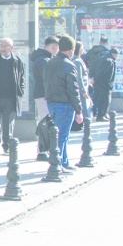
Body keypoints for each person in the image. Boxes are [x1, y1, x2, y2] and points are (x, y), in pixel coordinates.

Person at [42, 35, 83, 170]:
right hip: (65, 104)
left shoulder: (50, 62)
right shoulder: (69, 65)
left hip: (51, 102)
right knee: (62, 136)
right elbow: (73, 90)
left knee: (56, 134)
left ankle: (63, 162)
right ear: (71, 50)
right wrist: (78, 110)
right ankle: (57, 163)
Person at [31, 36, 59, 120]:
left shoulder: (43, 58)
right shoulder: (43, 60)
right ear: (53, 47)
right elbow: (48, 77)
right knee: (45, 120)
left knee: (46, 119)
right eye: (58, 48)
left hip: (44, 93)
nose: (58, 51)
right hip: (43, 93)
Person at [84, 36, 110, 116]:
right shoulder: (106, 52)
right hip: (101, 75)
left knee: (92, 92)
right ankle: (100, 112)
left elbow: (84, 59)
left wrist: (89, 67)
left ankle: (93, 110)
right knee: (101, 94)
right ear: (107, 43)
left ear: (99, 42)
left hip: (91, 73)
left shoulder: (91, 51)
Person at [90, 47, 118, 121]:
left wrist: (93, 79)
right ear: (114, 54)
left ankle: (102, 114)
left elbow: (93, 69)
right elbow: (103, 73)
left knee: (99, 99)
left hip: (98, 83)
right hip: (105, 84)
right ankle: (101, 115)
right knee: (105, 100)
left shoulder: (101, 58)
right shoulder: (109, 61)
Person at [73, 41, 92, 123]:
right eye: (82, 48)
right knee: (84, 109)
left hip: (84, 88)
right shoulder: (77, 61)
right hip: (81, 91)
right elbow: (79, 77)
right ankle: (84, 124)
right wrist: (83, 91)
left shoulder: (79, 60)